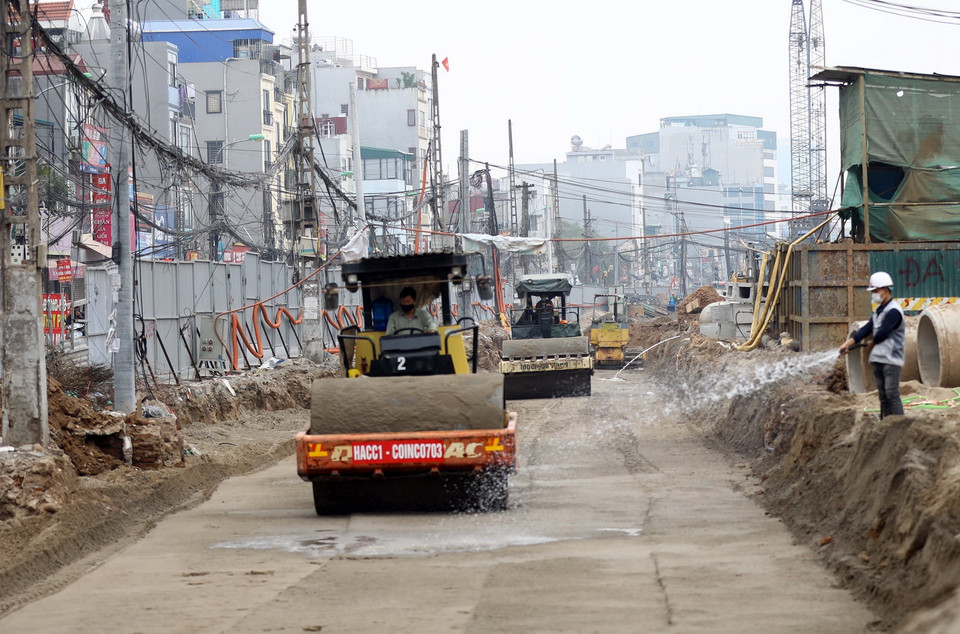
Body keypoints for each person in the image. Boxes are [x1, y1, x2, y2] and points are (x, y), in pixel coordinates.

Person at [839, 271, 905, 419]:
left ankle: (900, 424)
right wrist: (848, 344)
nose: (873, 294)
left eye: (875, 291)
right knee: (882, 395)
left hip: (892, 359)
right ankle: (886, 422)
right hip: (879, 359)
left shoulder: (894, 311)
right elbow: (866, 329)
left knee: (891, 393)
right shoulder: (878, 312)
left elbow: (883, 332)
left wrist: (872, 343)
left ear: (886, 290)